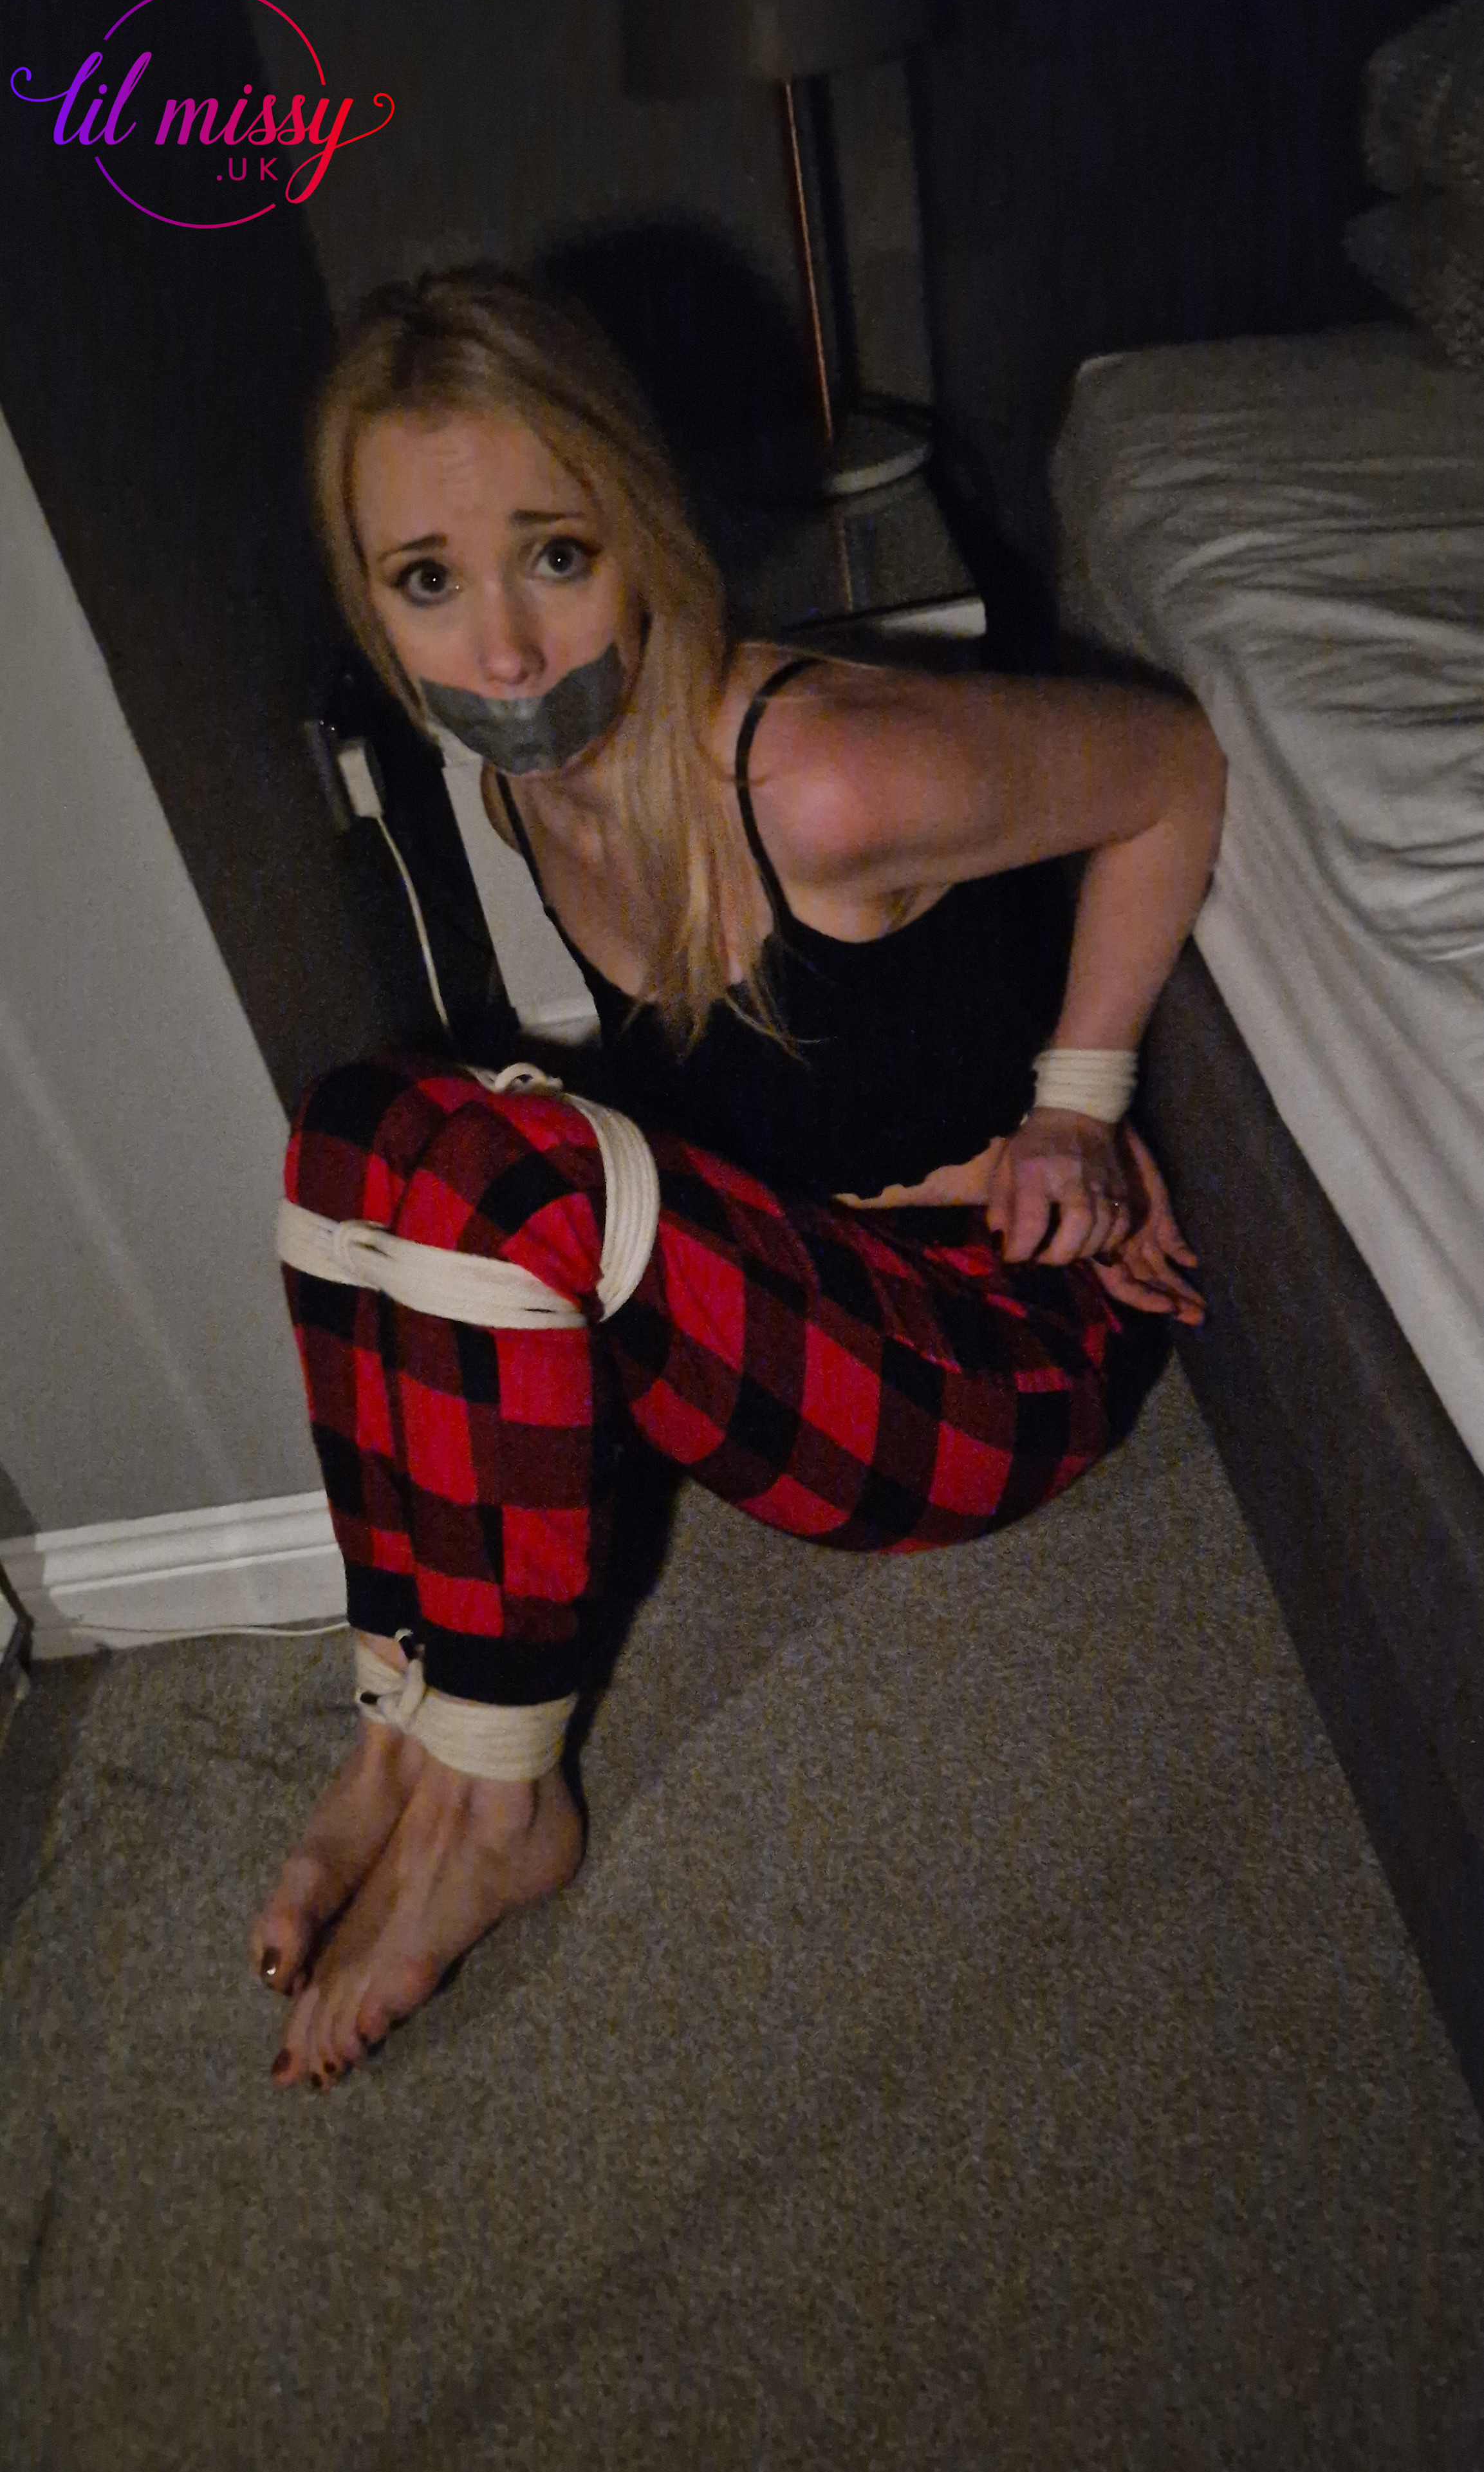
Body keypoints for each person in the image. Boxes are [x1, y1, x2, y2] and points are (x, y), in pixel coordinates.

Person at [252, 267, 1225, 2090]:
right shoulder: (521, 786)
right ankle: (405, 1732)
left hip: (1002, 1344)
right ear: (372, 602)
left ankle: (503, 1808)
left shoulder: (820, 778)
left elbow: (1171, 764)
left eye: (554, 555)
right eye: (428, 581)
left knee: (516, 1182)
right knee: (358, 1128)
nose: (504, 654)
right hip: (806, 1285)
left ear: (645, 526)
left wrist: (1081, 1106)